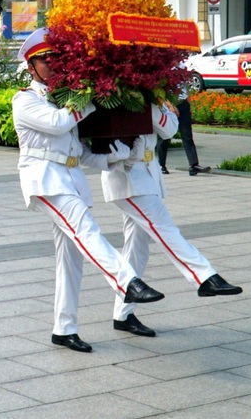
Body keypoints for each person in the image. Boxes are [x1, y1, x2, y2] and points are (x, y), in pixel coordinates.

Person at [12, 28, 164, 353]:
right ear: (31, 66)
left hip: (70, 179)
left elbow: (80, 152)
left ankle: (64, 328)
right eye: (45, 60)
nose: (53, 65)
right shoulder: (25, 99)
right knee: (86, 230)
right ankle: (127, 281)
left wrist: (116, 156)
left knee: (70, 259)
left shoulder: (65, 99)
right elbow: (57, 124)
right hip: (45, 180)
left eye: (57, 59)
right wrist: (92, 94)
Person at [102, 101, 242, 337]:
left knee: (137, 248)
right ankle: (204, 277)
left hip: (146, 174)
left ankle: (123, 314)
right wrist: (165, 109)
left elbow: (168, 130)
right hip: (128, 179)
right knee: (164, 228)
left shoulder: (150, 99)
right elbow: (166, 124)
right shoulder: (128, 98)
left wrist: (162, 108)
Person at [158, 78, 212, 176]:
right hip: (170, 106)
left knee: (187, 136)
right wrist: (171, 106)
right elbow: (161, 91)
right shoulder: (167, 69)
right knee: (165, 135)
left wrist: (189, 105)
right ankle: (161, 165)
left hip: (183, 104)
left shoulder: (183, 69)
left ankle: (193, 165)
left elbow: (186, 89)